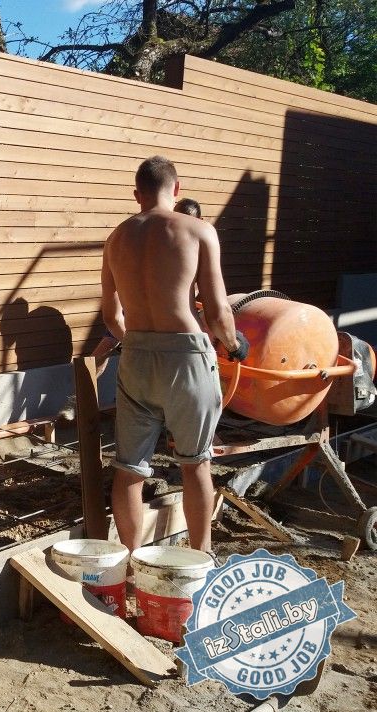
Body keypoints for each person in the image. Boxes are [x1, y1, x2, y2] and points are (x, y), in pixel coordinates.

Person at [102, 156, 248, 553]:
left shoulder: (116, 239)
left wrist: (136, 341)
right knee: (195, 463)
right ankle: (200, 560)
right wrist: (234, 345)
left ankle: (132, 561)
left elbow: (111, 317)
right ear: (177, 189)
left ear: (137, 194)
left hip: (136, 356)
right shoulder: (198, 230)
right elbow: (218, 312)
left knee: (129, 469)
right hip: (186, 357)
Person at [57, 196, 205, 422]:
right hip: (138, 306)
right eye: (177, 216)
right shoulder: (161, 234)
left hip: (171, 315)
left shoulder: (197, 241)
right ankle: (76, 400)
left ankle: (174, 415)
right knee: (106, 348)